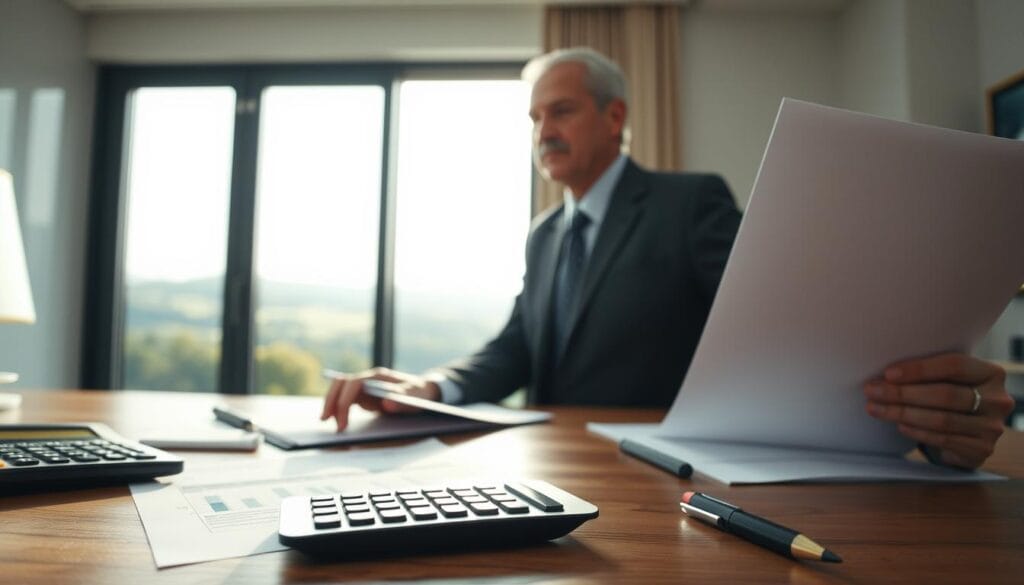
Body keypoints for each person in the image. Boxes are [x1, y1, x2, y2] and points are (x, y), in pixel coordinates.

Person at [322, 47, 1015, 470]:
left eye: (559, 112)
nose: (543, 132)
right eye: (534, 120)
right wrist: (431, 386)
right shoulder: (543, 233)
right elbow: (512, 350)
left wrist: (920, 416)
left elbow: (781, 324)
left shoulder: (689, 204)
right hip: (543, 469)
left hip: (655, 474)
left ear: (615, 116)